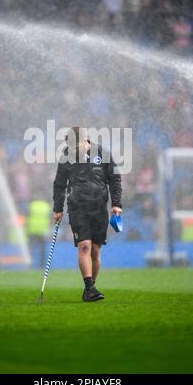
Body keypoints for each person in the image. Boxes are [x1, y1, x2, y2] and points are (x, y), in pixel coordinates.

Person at [53, 127, 122, 302]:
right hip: (77, 207)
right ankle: (89, 288)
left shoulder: (102, 153)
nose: (74, 150)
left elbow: (114, 179)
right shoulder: (66, 156)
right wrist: (58, 208)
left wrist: (116, 204)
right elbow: (59, 184)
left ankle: (91, 286)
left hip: (99, 207)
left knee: (96, 251)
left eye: (77, 146)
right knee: (84, 245)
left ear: (87, 140)